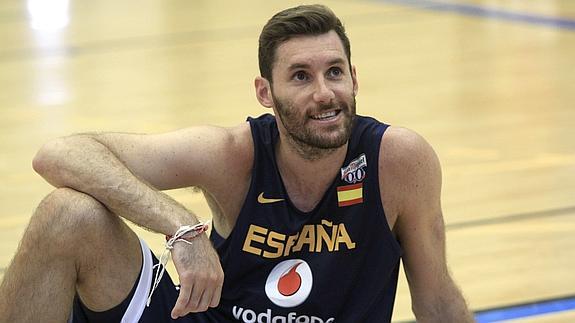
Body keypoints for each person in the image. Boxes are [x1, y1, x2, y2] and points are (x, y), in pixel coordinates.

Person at [0, 4, 475, 323]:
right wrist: (181, 227)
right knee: (67, 215)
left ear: (354, 78)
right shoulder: (231, 155)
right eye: (300, 77)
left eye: (334, 72)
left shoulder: (399, 161)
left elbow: (437, 302)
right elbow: (60, 154)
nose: (324, 93)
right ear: (265, 93)